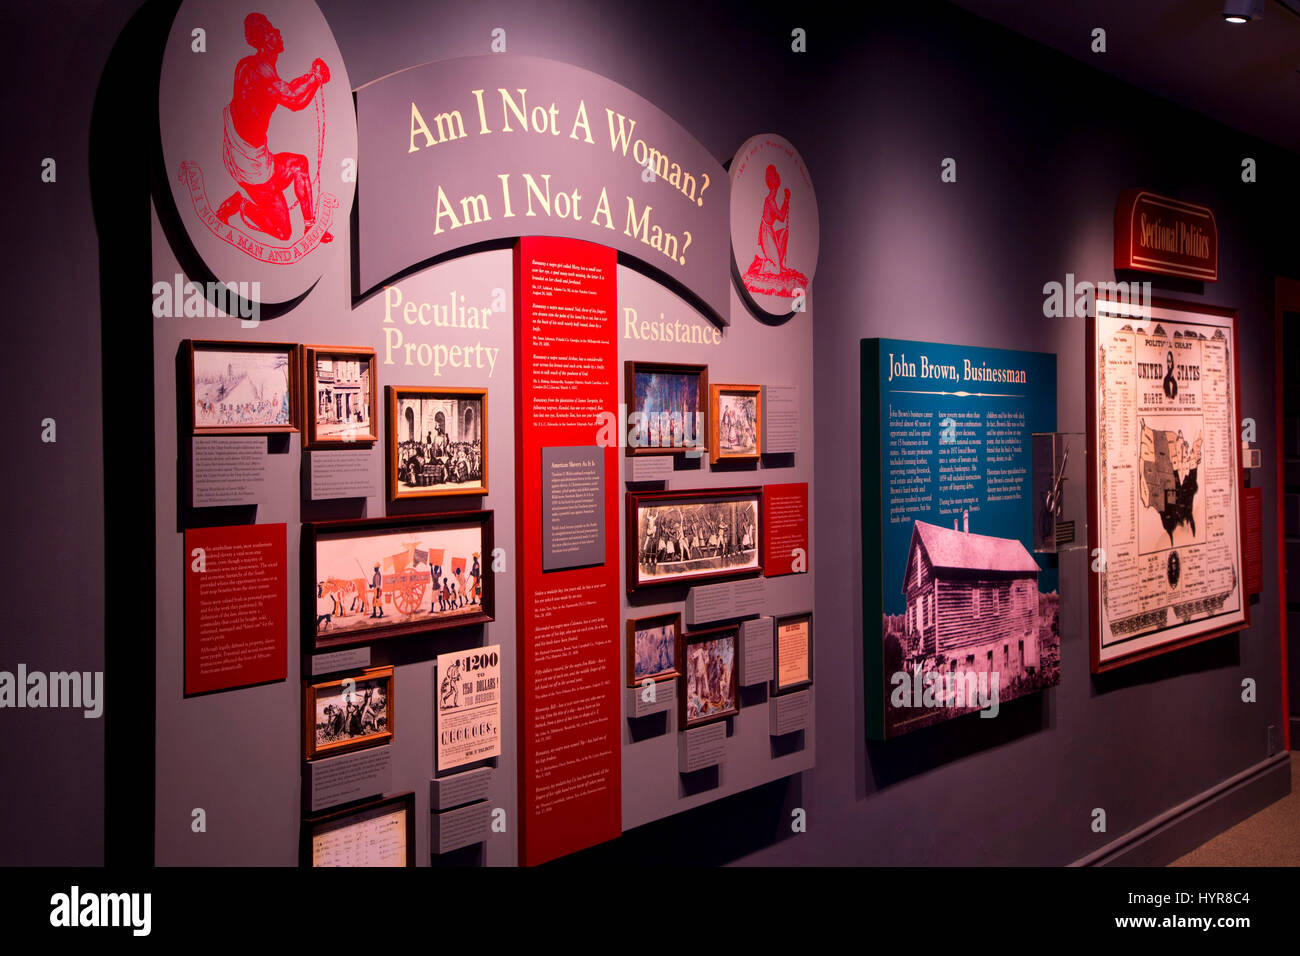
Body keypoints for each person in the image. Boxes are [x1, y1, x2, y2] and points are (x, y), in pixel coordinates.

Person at [215, 13, 331, 242]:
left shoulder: (254, 66)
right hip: (250, 165)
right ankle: (240, 205)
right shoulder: (259, 71)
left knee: (299, 165)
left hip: (253, 156)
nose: (277, 32)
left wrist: (311, 77)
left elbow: (285, 89)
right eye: (270, 30)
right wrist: (316, 78)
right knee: (282, 231)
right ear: (261, 39)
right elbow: (294, 99)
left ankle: (309, 227)